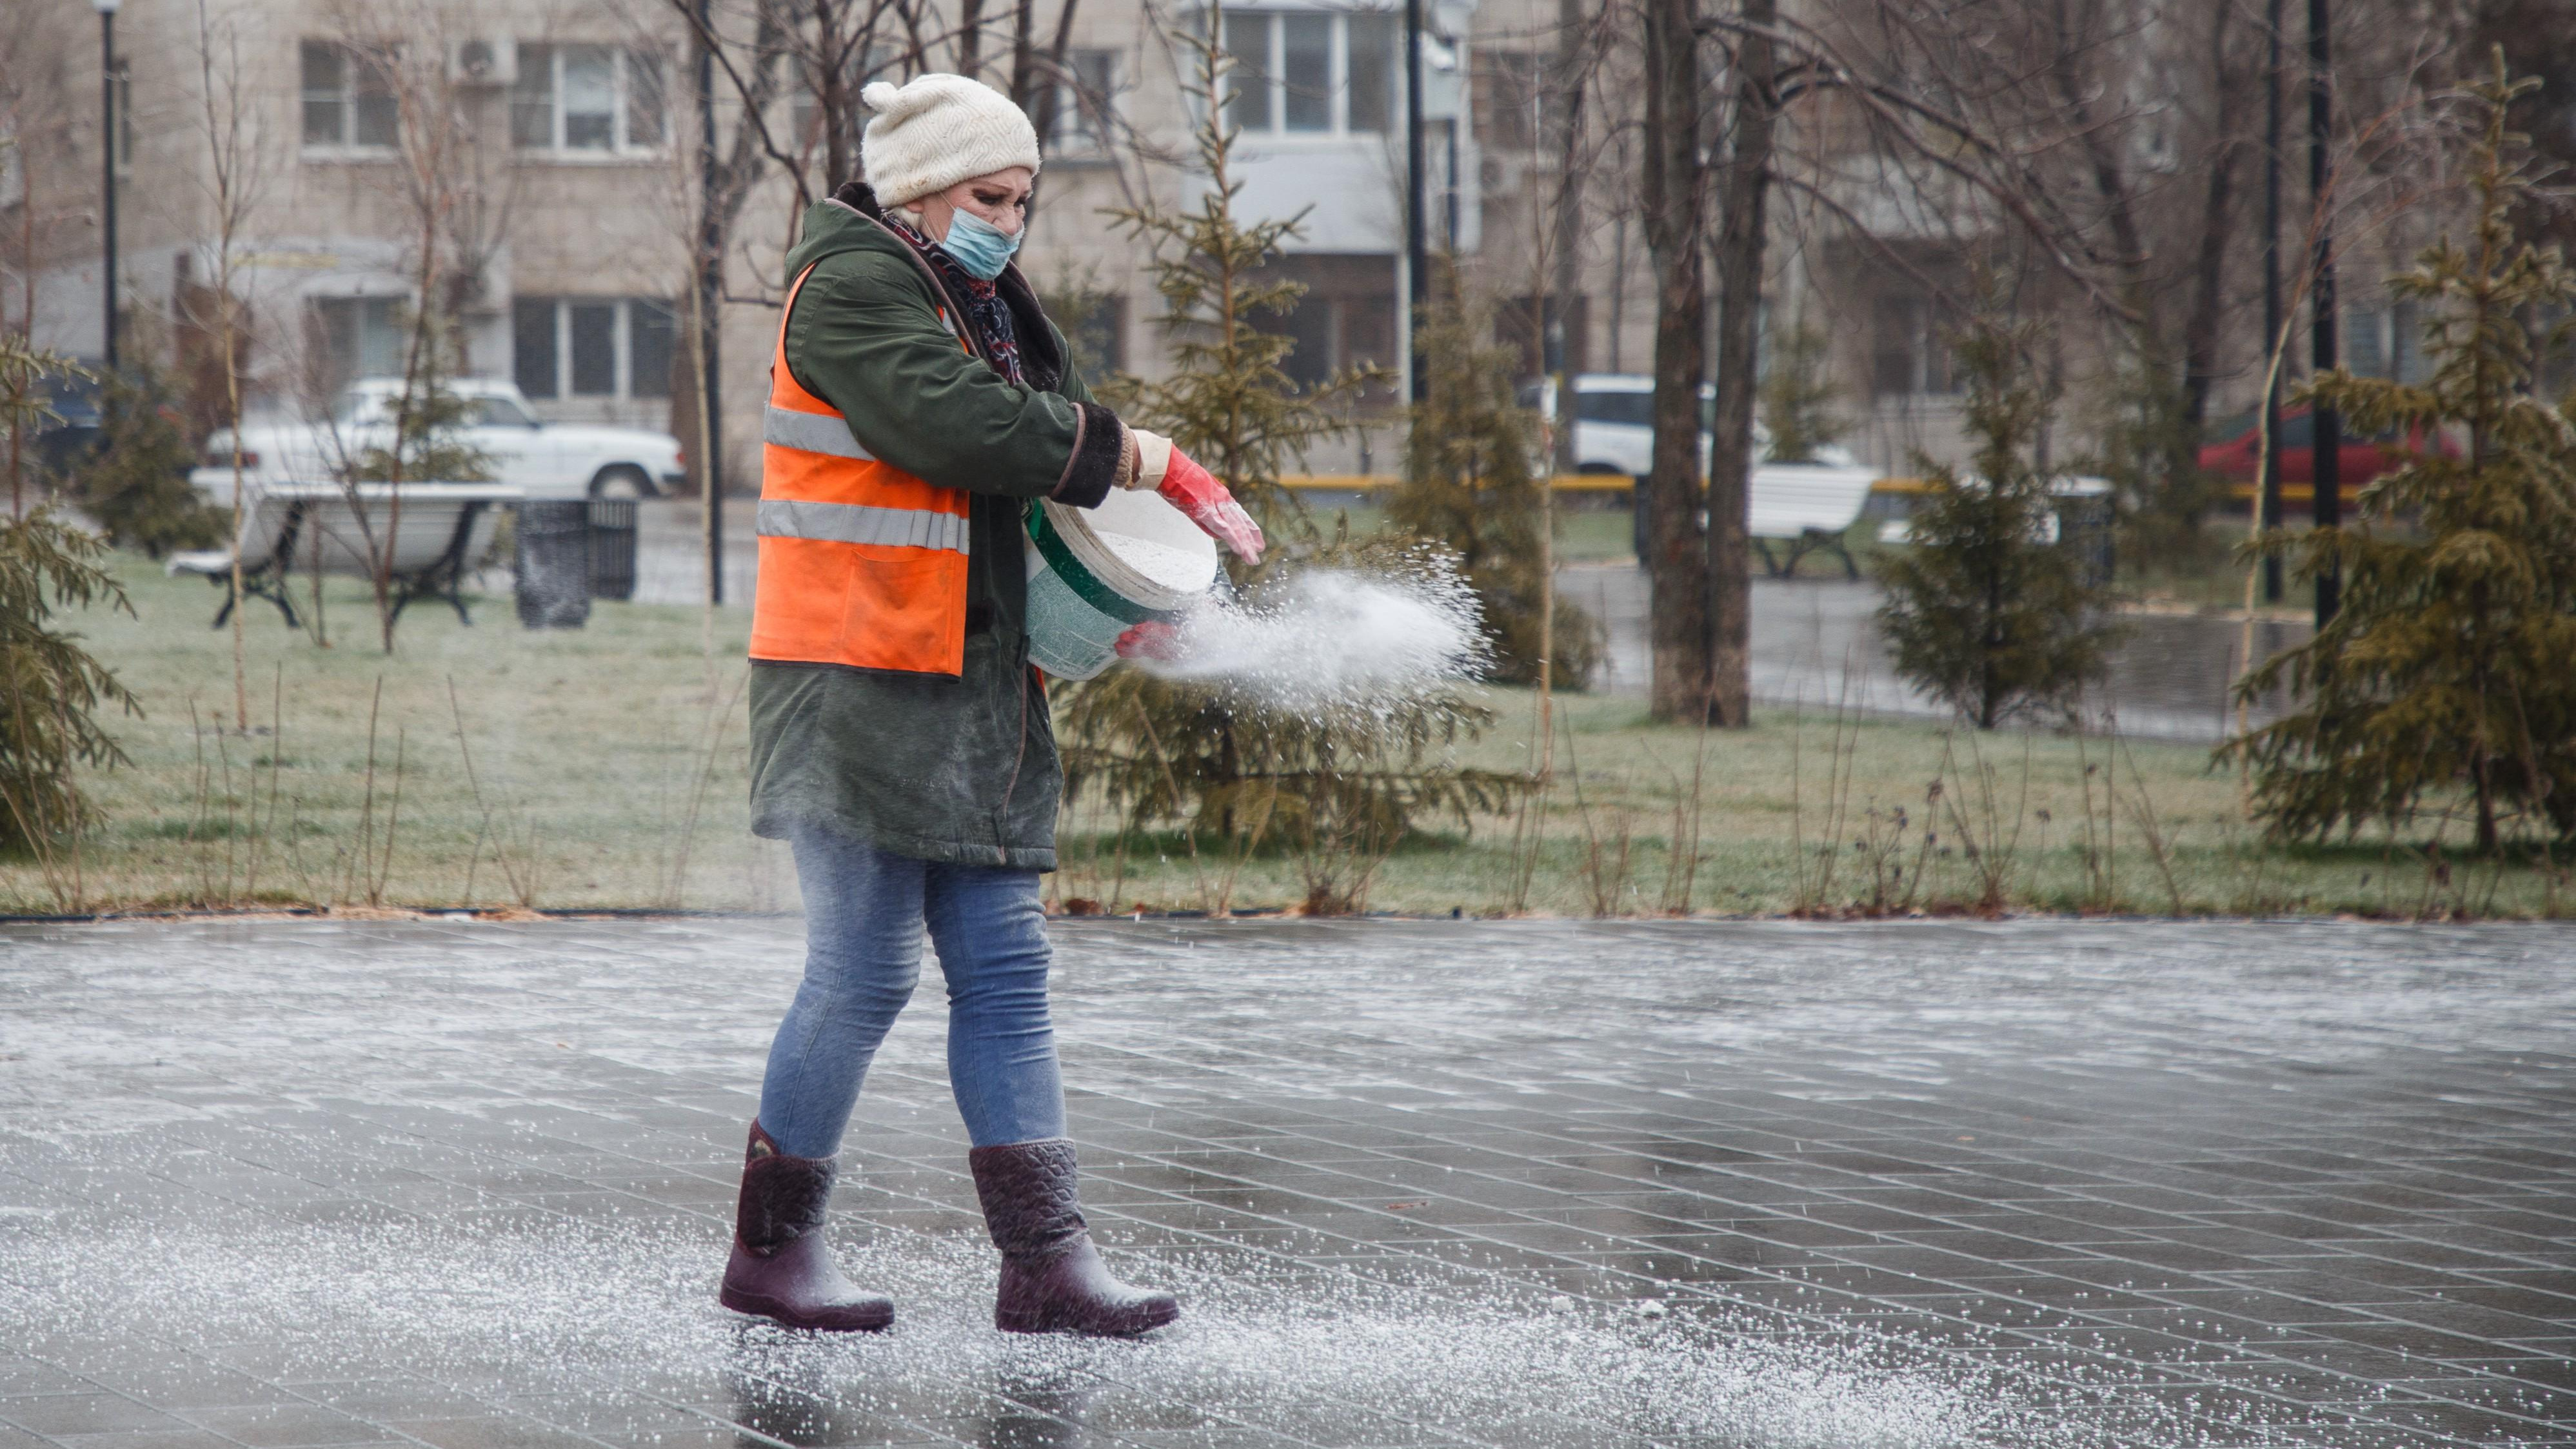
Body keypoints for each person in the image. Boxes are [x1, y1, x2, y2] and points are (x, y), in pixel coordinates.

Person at [718, 72, 1260, 1337]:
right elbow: (960, 428)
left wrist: (1121, 610)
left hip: (972, 688)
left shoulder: (982, 301)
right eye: (986, 195)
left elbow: (1032, 497)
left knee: (1008, 974)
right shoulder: (852, 288)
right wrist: (1147, 453)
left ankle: (1047, 1263)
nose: (1008, 221)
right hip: (852, 681)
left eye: (1021, 199)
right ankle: (769, 1255)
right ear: (917, 187)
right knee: (859, 974)